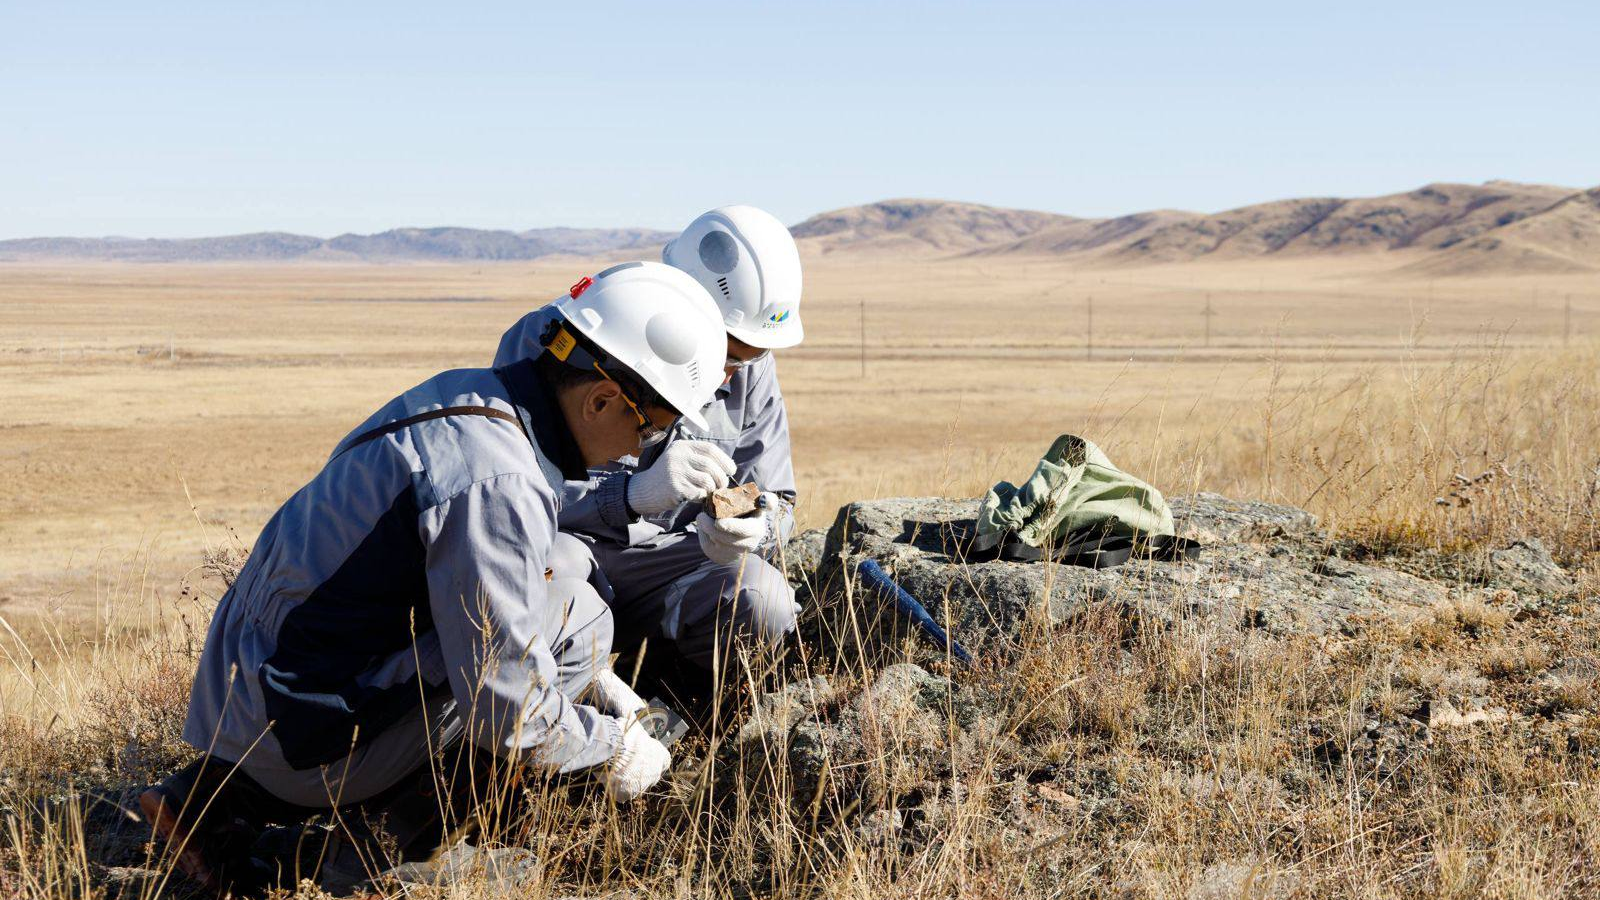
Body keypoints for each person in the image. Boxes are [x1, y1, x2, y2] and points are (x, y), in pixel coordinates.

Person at [140, 261, 728, 894]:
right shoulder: (498, 483)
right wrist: (609, 744)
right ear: (602, 398)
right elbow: (507, 713)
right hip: (292, 730)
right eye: (653, 427)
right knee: (576, 623)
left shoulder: (475, 396)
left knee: (567, 575)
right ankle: (371, 853)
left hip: (253, 688)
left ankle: (209, 801)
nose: (639, 450)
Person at [492, 206, 806, 698]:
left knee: (763, 599)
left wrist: (754, 526)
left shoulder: (750, 371)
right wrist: (630, 495)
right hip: (573, 548)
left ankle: (672, 713)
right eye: (725, 353)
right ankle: (560, 729)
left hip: (671, 558)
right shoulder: (553, 338)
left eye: (748, 358)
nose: (730, 374)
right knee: (547, 576)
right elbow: (505, 495)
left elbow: (776, 496)